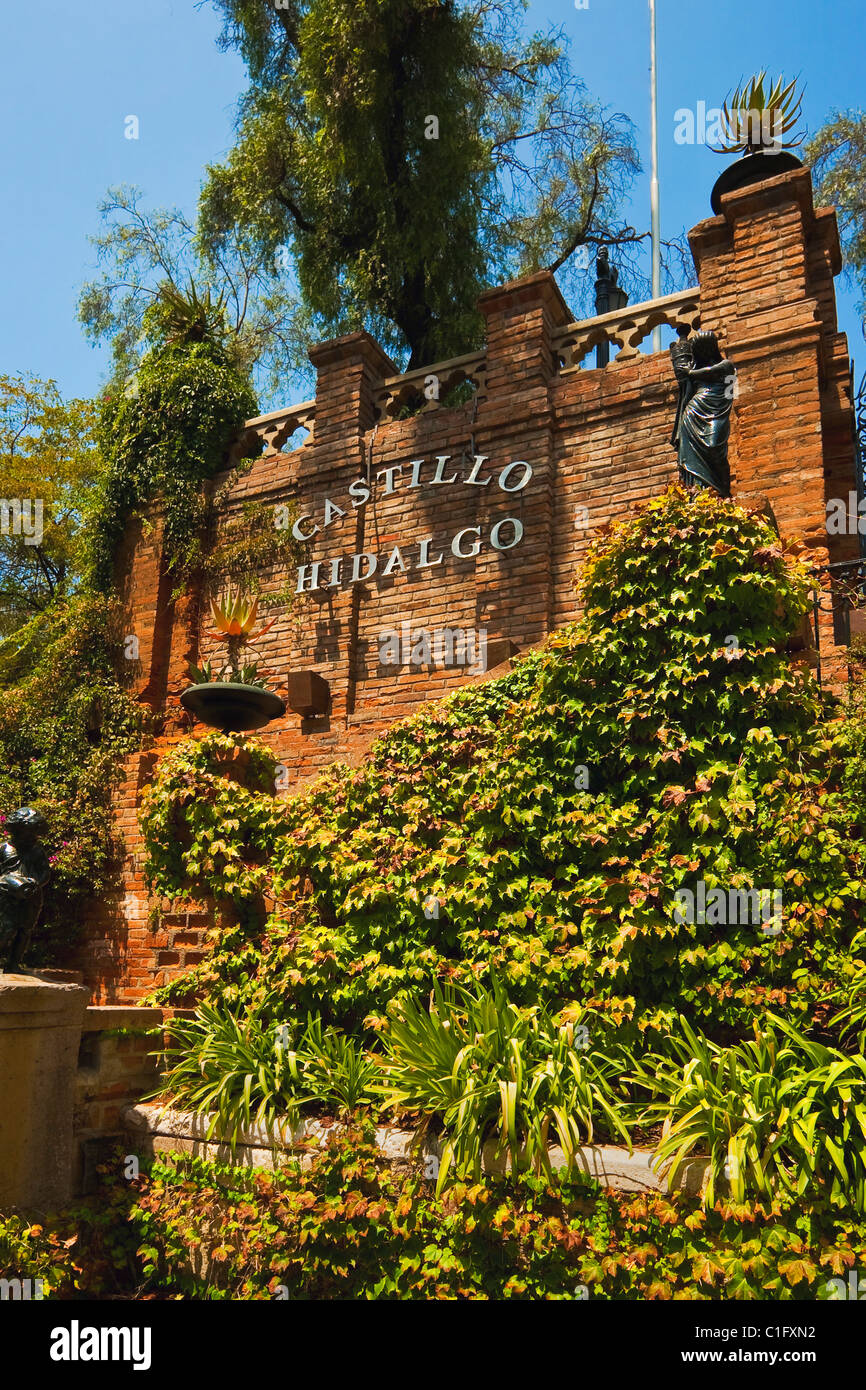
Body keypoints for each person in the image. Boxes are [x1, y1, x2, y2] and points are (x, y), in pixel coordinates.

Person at [669, 331, 736, 496]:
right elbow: (686, 391)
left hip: (717, 411)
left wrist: (689, 373)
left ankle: (723, 491)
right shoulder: (695, 369)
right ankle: (696, 493)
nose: (705, 352)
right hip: (693, 412)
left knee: (714, 448)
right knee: (690, 455)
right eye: (701, 349)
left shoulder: (726, 366)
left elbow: (725, 385)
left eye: (707, 348)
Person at [0, 807, 50, 973]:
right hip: (6, 896)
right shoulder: (3, 849)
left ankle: (13, 964)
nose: (31, 837)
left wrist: (36, 883)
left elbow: (45, 872)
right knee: (6, 929)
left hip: (31, 896)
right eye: (28, 833)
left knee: (24, 930)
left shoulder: (37, 851)